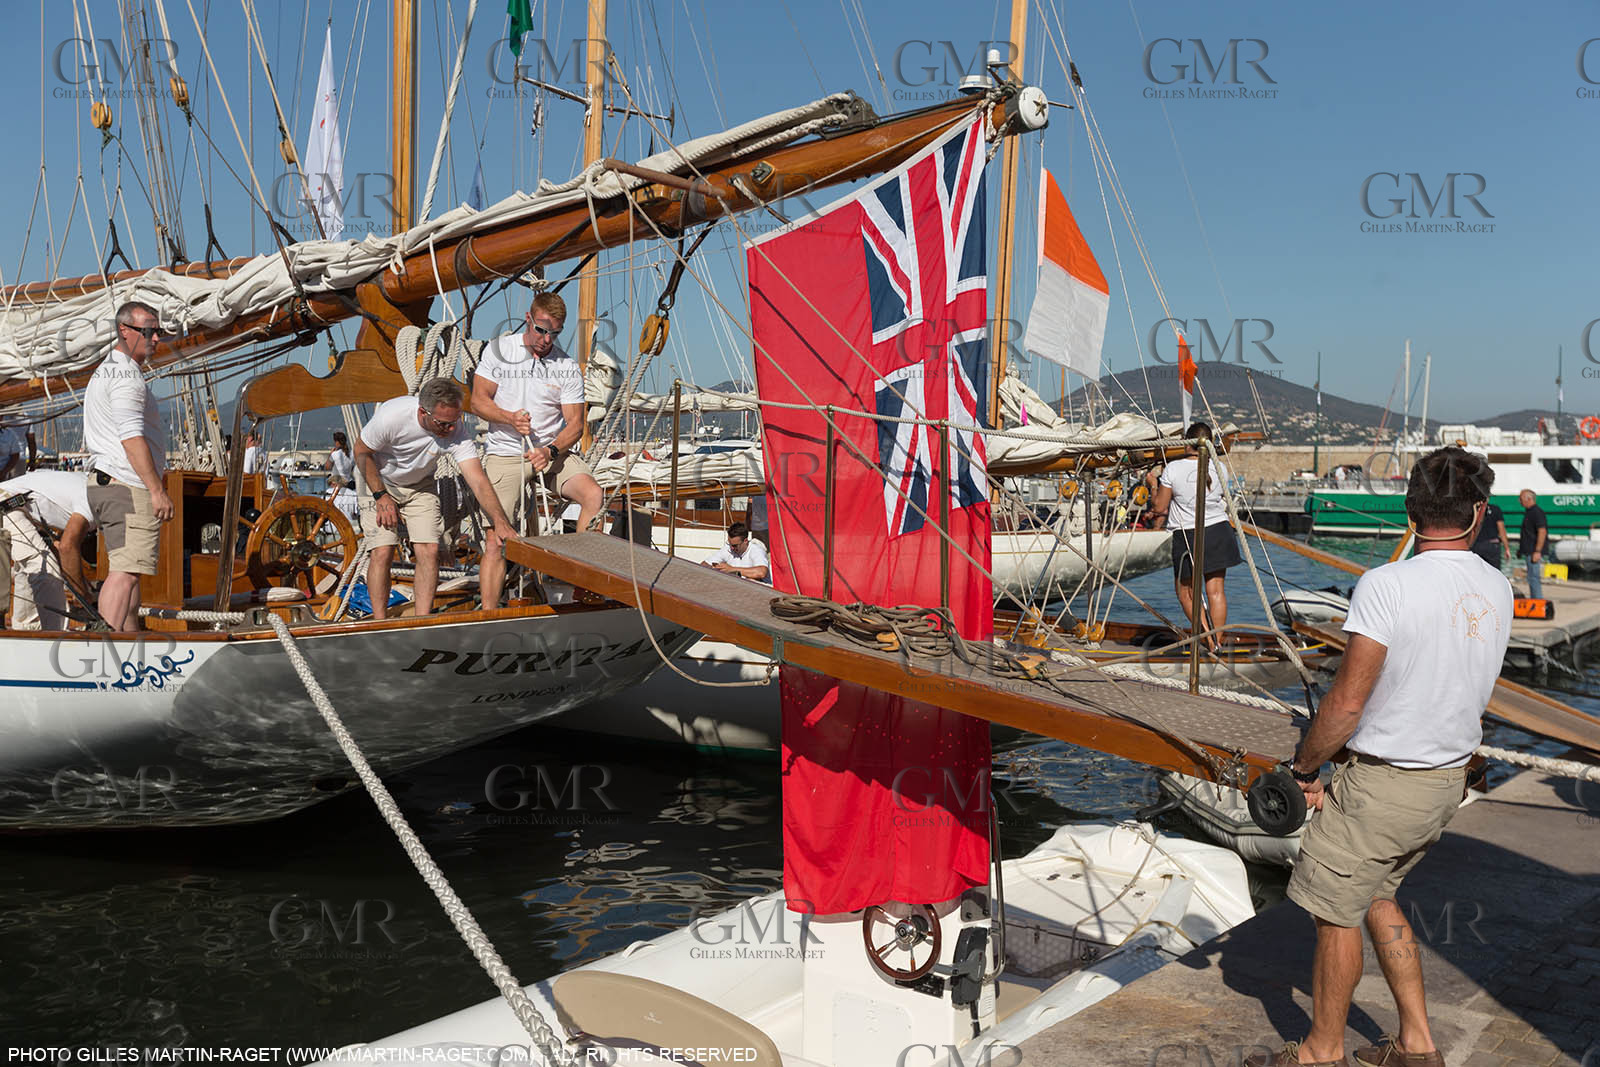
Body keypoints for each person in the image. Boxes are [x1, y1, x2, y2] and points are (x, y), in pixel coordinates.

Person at [1247, 447, 1511, 1067]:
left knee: (1334, 917)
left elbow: (1345, 704)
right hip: (1445, 782)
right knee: (1377, 898)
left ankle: (1321, 1052)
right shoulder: (1496, 586)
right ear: (1478, 513)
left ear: (1411, 513)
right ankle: (1418, 1044)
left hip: (1383, 788)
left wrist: (1305, 769)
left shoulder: (1387, 585)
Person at [470, 292, 605, 608]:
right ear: (529, 319)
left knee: (594, 496)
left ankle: (583, 582)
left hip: (550, 454)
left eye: (554, 333)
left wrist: (551, 450)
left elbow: (575, 424)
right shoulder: (500, 351)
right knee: (496, 539)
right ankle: (488, 614)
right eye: (542, 330)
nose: (546, 340)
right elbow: (477, 401)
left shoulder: (566, 366)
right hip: (506, 453)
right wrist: (509, 418)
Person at [354, 377, 517, 619]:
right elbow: (361, 451)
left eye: (455, 421)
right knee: (383, 550)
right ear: (423, 412)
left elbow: (478, 480)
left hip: (420, 485)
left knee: (430, 550)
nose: (450, 430)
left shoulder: (455, 431)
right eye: (443, 424)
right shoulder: (392, 417)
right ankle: (380, 623)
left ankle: (422, 621)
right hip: (377, 480)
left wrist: (500, 522)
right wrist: (381, 496)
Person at [83, 301, 173, 633]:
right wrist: (157, 490)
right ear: (124, 330)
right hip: (127, 485)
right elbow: (131, 438)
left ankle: (129, 643)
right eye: (148, 331)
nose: (156, 338)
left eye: (157, 331)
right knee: (124, 574)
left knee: (130, 571)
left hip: (109, 483)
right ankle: (101, 646)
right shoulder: (126, 378)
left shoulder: (107, 370)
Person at [1150, 423, 1243, 646]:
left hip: (1188, 534)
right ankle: (1216, 643)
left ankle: (1209, 641)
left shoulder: (1173, 469)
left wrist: (1153, 485)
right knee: (1216, 591)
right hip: (1219, 530)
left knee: (1186, 593)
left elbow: (1160, 507)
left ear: (1187, 443)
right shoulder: (1220, 467)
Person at [0, 470, 95, 630]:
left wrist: (80, 586)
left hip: (13, 503)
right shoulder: (91, 502)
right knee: (44, 567)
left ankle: (26, 628)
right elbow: (66, 547)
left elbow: (59, 547)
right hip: (7, 503)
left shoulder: (86, 486)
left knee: (32, 566)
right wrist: (82, 594)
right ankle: (54, 633)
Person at [703, 521, 770, 582]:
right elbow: (704, 565)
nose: (732, 548)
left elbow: (761, 572)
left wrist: (732, 569)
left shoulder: (757, 550)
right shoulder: (728, 548)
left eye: (735, 545)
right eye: (729, 543)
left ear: (745, 541)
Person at [1518, 489, 1547, 600]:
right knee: (1531, 577)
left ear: (1529, 499)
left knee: (1534, 578)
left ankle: (1537, 601)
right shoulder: (1529, 512)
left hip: (1533, 551)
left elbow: (1542, 531)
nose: (1519, 501)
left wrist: (1537, 551)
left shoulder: (1536, 512)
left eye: (1521, 499)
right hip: (1529, 550)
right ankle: (1535, 599)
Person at [1468, 500, 1510, 571]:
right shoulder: (1495, 509)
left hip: (1476, 544)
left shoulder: (1473, 510)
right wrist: (1506, 548)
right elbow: (1501, 530)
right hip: (1492, 544)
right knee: (1495, 571)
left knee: (1476, 571)